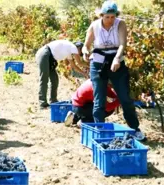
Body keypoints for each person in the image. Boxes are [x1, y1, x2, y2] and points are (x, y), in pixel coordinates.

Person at [82, 1, 146, 140]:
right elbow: (86, 46)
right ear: (101, 15)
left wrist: (117, 58)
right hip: (98, 63)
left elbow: (123, 44)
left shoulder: (120, 23)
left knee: (125, 98)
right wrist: (85, 51)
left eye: (113, 17)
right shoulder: (94, 26)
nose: (110, 20)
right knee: (99, 100)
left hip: (116, 61)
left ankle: (134, 129)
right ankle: (100, 132)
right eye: (107, 17)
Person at [36, 40, 89, 109]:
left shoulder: (69, 52)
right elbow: (79, 63)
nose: (79, 54)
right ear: (79, 48)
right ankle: (43, 103)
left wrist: (84, 73)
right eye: (80, 53)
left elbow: (74, 66)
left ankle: (53, 101)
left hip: (50, 58)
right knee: (44, 78)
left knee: (54, 79)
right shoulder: (73, 47)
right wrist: (92, 65)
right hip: (44, 54)